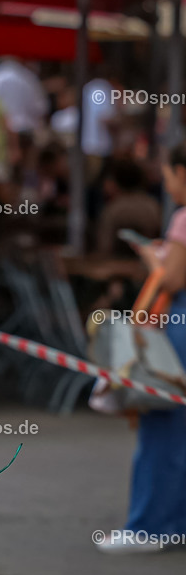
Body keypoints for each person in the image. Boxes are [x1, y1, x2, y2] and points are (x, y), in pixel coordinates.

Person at [96, 142, 186, 553]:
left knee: (161, 427)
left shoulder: (183, 220)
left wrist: (154, 260)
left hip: (178, 330)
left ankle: (149, 526)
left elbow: (171, 280)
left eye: (168, 175)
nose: (166, 185)